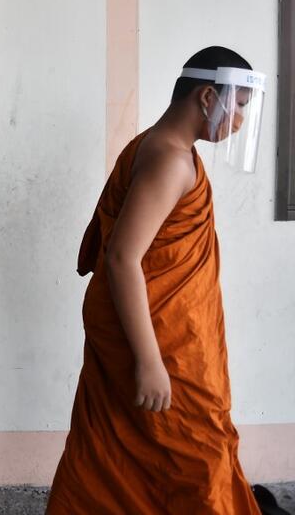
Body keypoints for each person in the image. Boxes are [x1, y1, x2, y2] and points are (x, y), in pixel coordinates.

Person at [47, 47, 267, 514]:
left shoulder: (156, 144)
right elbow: (123, 258)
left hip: (162, 327)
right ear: (208, 97)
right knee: (196, 451)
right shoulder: (170, 159)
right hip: (158, 340)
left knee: (119, 456)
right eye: (240, 104)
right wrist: (149, 361)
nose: (241, 119)